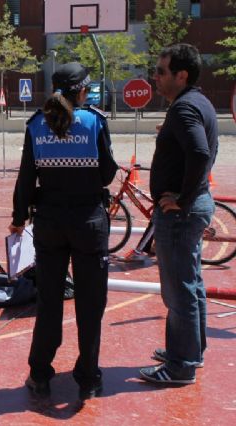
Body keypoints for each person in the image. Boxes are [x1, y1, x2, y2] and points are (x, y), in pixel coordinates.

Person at [8, 62, 118, 400]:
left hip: (49, 224)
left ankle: (39, 374)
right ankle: (88, 378)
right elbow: (107, 174)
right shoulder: (94, 122)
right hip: (88, 223)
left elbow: (26, 177)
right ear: (82, 91)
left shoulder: (36, 125)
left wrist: (18, 216)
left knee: (49, 302)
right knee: (90, 303)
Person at [139, 43, 218, 385]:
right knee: (192, 283)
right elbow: (193, 148)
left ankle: (181, 365)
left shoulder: (184, 108)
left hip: (182, 214)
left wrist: (183, 199)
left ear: (181, 75)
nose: (155, 77)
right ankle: (191, 351)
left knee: (178, 290)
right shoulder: (196, 103)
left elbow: (199, 153)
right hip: (194, 207)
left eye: (160, 71)